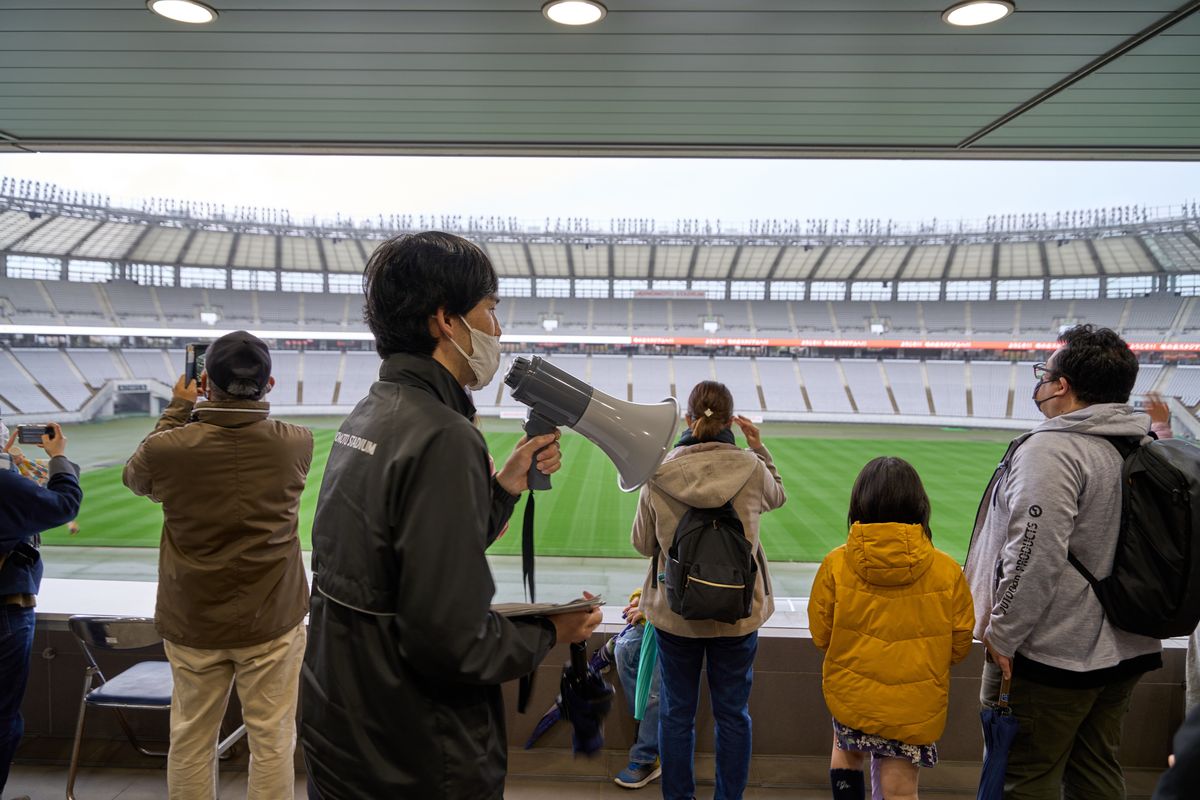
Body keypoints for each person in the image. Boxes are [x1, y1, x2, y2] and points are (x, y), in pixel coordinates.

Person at [299, 231, 602, 800]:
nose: (498, 329)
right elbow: (454, 642)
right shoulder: (443, 435)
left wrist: (504, 487)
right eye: (490, 309)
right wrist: (550, 630)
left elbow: (401, 562)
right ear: (446, 321)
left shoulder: (370, 415)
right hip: (415, 755)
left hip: (345, 729)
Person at [963, 325, 1162, 800]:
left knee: (1021, 778)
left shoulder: (1052, 449)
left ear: (1063, 385)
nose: (1040, 384)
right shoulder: (1143, 442)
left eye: (1043, 374)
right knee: (1096, 773)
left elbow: (1033, 554)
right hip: (1125, 647)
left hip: (1051, 655)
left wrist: (1002, 634)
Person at [123, 331, 313, 800]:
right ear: (270, 383)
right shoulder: (297, 443)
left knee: (190, 739)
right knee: (272, 739)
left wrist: (176, 408)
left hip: (193, 620)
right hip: (272, 620)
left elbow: (136, 478)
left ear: (204, 382)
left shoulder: (167, 447)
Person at [631, 381, 786, 800]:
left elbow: (644, 544)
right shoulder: (751, 467)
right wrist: (760, 448)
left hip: (675, 614)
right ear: (732, 420)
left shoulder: (659, 470)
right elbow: (778, 497)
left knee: (676, 714)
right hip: (738, 613)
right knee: (733, 715)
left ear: (687, 419)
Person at [807, 457, 974, 800]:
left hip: (851, 696)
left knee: (846, 752)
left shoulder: (835, 564)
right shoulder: (947, 571)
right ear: (918, 505)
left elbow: (821, 634)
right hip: (914, 705)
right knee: (900, 788)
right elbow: (959, 646)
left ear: (858, 504)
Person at [0, 419, 81, 800]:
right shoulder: (4, 486)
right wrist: (59, 457)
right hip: (5, 610)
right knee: (2, 718)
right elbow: (63, 505)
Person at [612, 589, 662, 790]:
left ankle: (647, 755)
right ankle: (649, 728)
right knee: (625, 647)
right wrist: (641, 596)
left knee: (655, 689)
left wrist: (653, 609)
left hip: (679, 622)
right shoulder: (662, 556)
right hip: (659, 613)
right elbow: (658, 576)